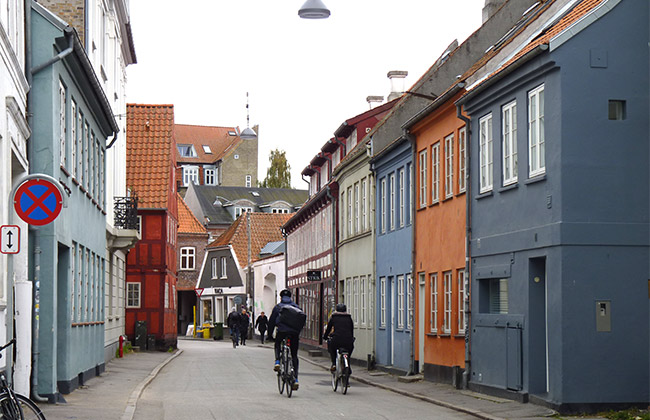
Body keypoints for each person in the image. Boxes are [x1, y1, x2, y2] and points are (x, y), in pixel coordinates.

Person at [268, 289, 304, 390]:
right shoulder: (296, 307)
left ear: (281, 297)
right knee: (294, 355)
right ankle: (296, 379)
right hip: (294, 333)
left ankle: (277, 361)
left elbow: (271, 322)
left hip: (282, 331)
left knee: (277, 343)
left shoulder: (278, 307)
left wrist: (269, 335)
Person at [323, 303, 355, 373]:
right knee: (349, 350)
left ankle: (334, 363)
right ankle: (348, 365)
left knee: (332, 348)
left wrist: (325, 337)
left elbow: (328, 329)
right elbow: (351, 329)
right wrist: (351, 338)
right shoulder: (349, 318)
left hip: (337, 339)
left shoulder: (334, 317)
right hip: (348, 341)